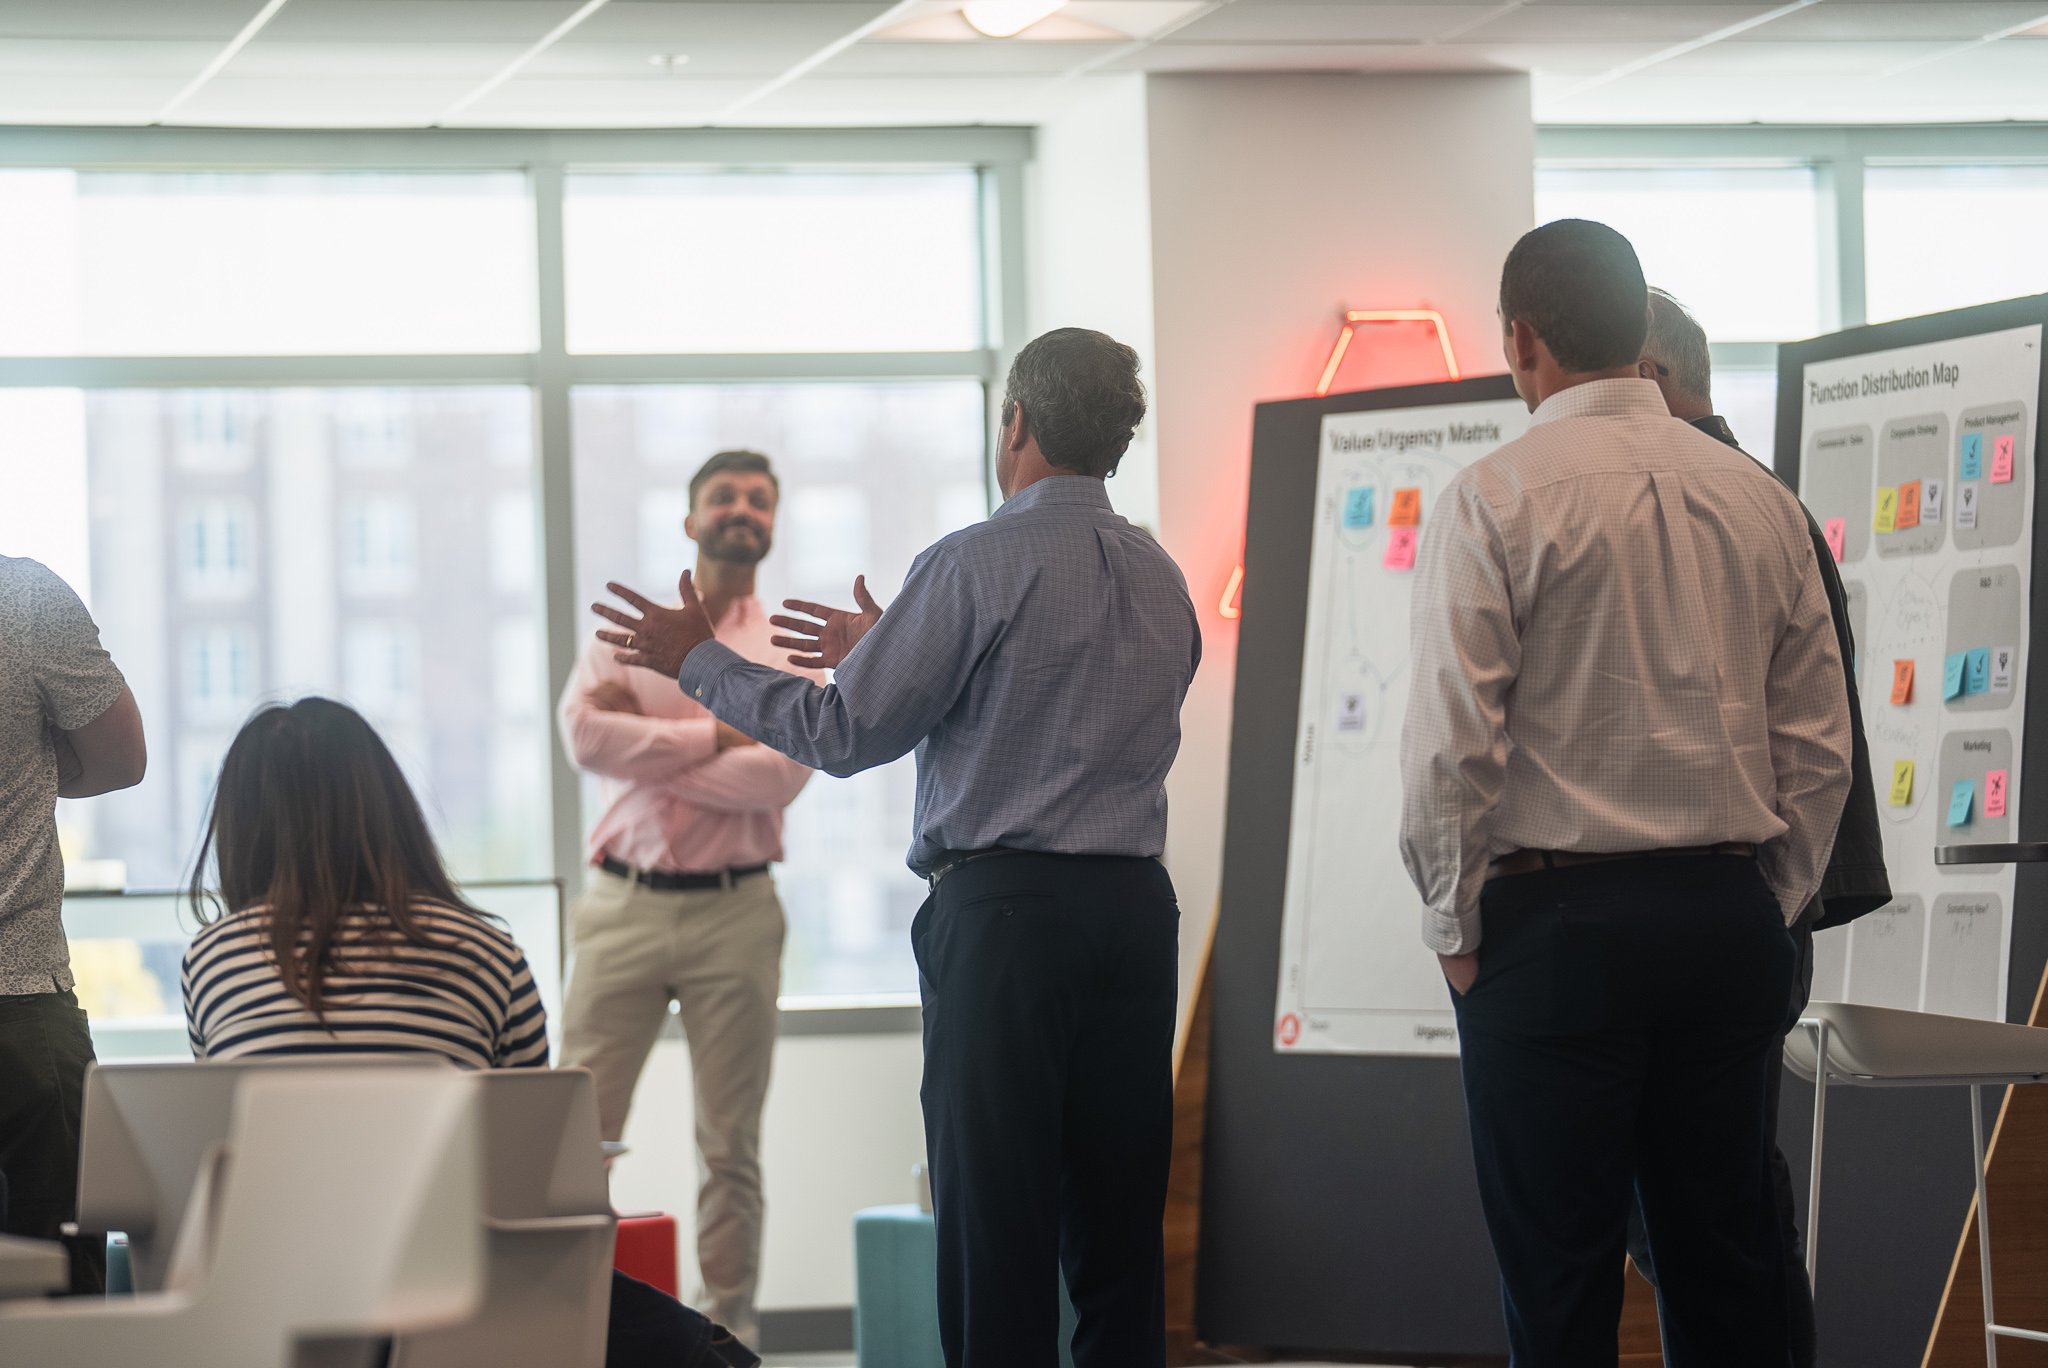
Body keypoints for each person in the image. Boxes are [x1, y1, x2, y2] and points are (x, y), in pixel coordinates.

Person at [591, 328, 1200, 1368]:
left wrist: (698, 660)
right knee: (1117, 1229)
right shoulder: (1161, 574)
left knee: (995, 1220)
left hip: (1007, 923)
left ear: (1015, 421)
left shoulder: (974, 561)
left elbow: (839, 735)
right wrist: (895, 651)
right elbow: (1069, 709)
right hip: (1137, 917)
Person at [1398, 220, 1852, 1368]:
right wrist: (1765, 903)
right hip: (1722, 925)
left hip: (1547, 935)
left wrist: (1454, 930)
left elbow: (1451, 747)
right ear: (1636, 332)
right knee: (1728, 1275)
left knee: (1557, 1290)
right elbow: (1817, 749)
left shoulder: (1491, 498)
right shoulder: (1759, 500)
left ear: (1521, 339)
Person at [178, 696, 759, 1368]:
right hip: (458, 1295)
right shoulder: (486, 952)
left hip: (269, 1291)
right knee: (693, 1345)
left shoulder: (212, 959)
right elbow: (539, 1169)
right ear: (389, 811)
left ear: (241, 828)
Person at [1626, 285, 1891, 1368]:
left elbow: (1814, 743)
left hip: (1739, 902)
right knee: (1705, 1194)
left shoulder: (1728, 506)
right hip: (1743, 906)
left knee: (1711, 1200)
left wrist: (1761, 902)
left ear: (1645, 377)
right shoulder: (1738, 500)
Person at [556, 449, 816, 1347]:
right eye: (725, 495)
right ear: (690, 518)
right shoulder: (628, 629)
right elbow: (584, 737)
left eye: (759, 499)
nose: (742, 508)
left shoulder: (786, 643)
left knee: (730, 1147)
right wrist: (718, 733)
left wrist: (649, 745)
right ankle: (566, 1332)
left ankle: (726, 1341)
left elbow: (782, 774)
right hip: (620, 907)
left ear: (771, 523)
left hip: (736, 913)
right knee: (576, 1140)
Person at [0, 555, 147, 1295]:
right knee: (60, 1306)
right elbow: (120, 759)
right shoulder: (22, 598)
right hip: (20, 1008)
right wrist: (27, 755)